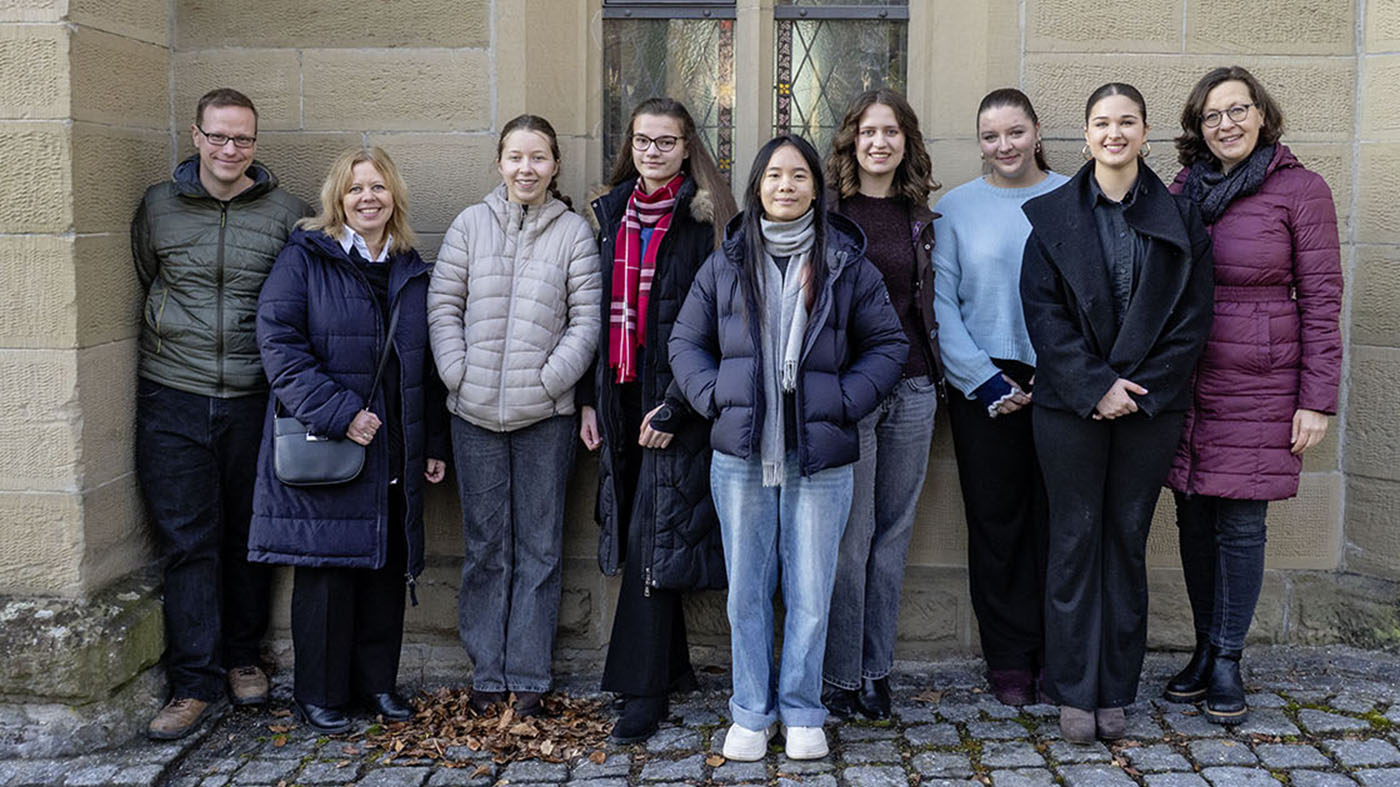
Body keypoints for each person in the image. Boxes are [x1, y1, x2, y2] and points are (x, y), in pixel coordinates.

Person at [669, 135, 907, 761]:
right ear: (756, 188)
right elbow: (685, 343)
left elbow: (888, 345)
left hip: (818, 457)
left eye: (798, 176)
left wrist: (844, 403)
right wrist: (715, 396)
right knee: (747, 587)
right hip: (742, 456)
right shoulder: (725, 262)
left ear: (816, 189)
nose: (785, 186)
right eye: (773, 175)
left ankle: (802, 709)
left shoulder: (845, 263)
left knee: (810, 588)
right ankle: (751, 709)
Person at [1020, 83, 1213, 744]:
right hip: (1069, 407)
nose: (1113, 133)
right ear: (1086, 134)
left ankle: (1116, 689)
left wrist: (1135, 389)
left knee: (1126, 541)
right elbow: (1042, 316)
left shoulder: (1182, 218)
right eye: (1102, 122)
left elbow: (1192, 324)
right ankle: (1075, 688)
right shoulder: (1049, 216)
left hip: (1150, 407)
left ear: (1145, 132)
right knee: (1074, 539)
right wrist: (1094, 385)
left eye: (1126, 122)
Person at [1162, 66, 1342, 725]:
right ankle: (1205, 650)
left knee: (1240, 521)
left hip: (1263, 380)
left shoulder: (1301, 190)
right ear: (1198, 128)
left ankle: (1229, 657)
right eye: (1212, 115)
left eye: (1237, 110)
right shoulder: (1183, 187)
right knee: (1192, 514)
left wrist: (1316, 399)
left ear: (1262, 115)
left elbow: (1323, 301)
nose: (1226, 124)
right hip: (1190, 375)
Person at [249, 147, 448, 733]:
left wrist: (432, 441)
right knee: (327, 574)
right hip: (330, 441)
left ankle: (376, 685)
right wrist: (341, 414)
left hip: (393, 447)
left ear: (394, 198)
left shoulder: (411, 267)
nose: (368, 198)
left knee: (385, 568)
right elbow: (279, 347)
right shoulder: (305, 258)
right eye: (356, 188)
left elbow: (426, 365)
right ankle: (320, 693)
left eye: (379, 188)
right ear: (338, 198)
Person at [131, 88, 308, 740]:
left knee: (247, 536)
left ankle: (242, 657)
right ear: (197, 136)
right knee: (187, 542)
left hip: (252, 397)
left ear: (255, 144)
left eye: (243, 139)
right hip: (171, 393)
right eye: (219, 137)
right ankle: (193, 683)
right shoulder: (158, 207)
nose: (231, 150)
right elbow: (148, 273)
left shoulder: (287, 213)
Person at [429, 114, 601, 719]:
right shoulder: (469, 225)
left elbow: (587, 322)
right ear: (500, 163)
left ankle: (528, 672)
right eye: (515, 157)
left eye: (538, 158)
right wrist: (458, 372)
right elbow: (443, 305)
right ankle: (489, 668)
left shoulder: (574, 233)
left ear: (555, 166)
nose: (526, 168)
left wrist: (550, 380)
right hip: (472, 414)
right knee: (485, 546)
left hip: (545, 418)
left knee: (540, 547)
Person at [579, 98, 738, 744]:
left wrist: (677, 403)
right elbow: (594, 309)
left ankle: (640, 692)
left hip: (677, 401)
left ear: (686, 146)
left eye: (665, 142)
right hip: (619, 392)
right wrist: (589, 399)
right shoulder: (612, 213)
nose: (652, 151)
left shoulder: (706, 219)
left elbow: (719, 327)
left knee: (652, 533)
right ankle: (673, 668)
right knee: (653, 529)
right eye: (643, 141)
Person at [932, 88, 1068, 706]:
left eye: (1015, 132)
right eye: (991, 136)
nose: (1004, 146)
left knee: (1058, 520)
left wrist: (1068, 371)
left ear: (1037, 132)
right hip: (983, 381)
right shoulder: (955, 208)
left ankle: (1055, 652)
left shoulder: (1074, 196)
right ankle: (1009, 656)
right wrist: (983, 379)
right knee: (996, 523)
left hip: (1063, 377)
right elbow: (940, 305)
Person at [820, 88, 941, 721]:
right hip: (849, 392)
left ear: (906, 141)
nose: (879, 142)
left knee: (892, 536)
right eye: (868, 131)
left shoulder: (920, 215)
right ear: (851, 140)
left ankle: (875, 673)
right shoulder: (827, 213)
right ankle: (838, 674)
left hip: (915, 388)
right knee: (849, 537)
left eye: (891, 131)